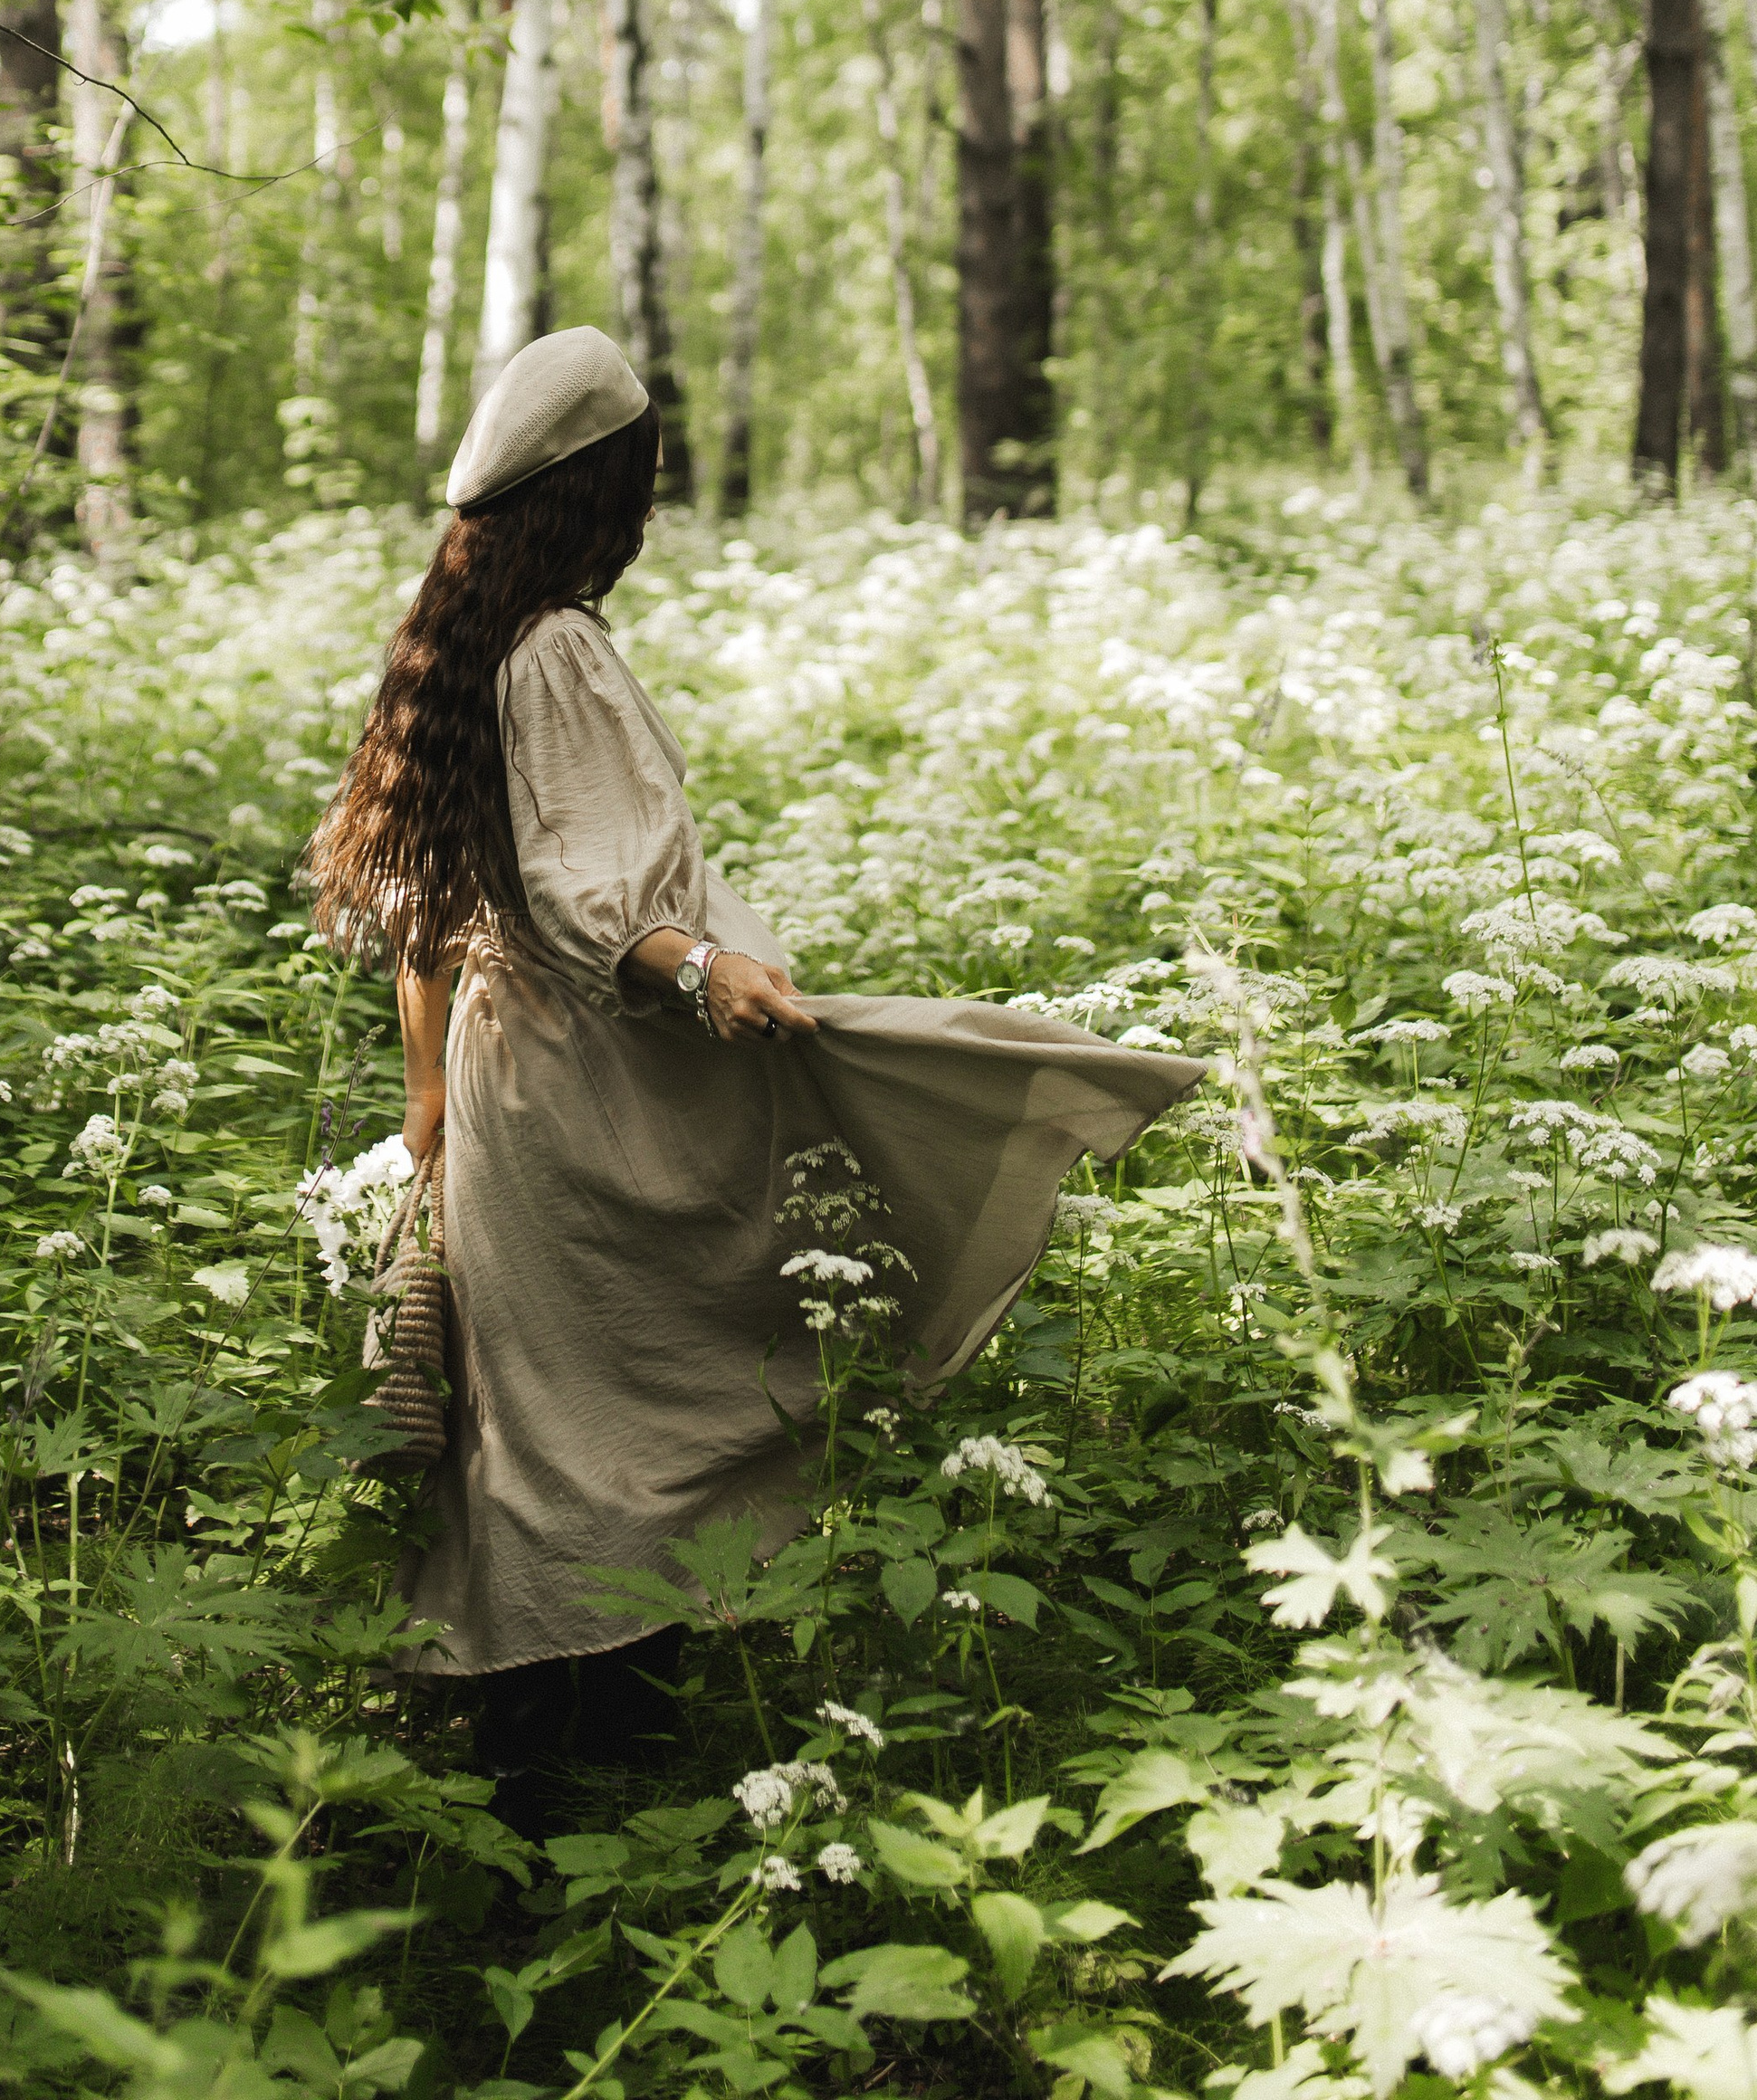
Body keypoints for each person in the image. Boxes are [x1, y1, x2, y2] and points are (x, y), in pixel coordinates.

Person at [306, 327, 1202, 1827]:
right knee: (639, 1410)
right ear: (600, 490)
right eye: (644, 474)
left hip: (511, 1082)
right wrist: (698, 968)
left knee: (548, 1423)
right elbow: (585, 890)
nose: (654, 503)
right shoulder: (557, 647)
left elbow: (427, 920)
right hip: (597, 1086)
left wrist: (435, 1117)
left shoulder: (459, 643)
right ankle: (587, 1775)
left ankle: (532, 1767)